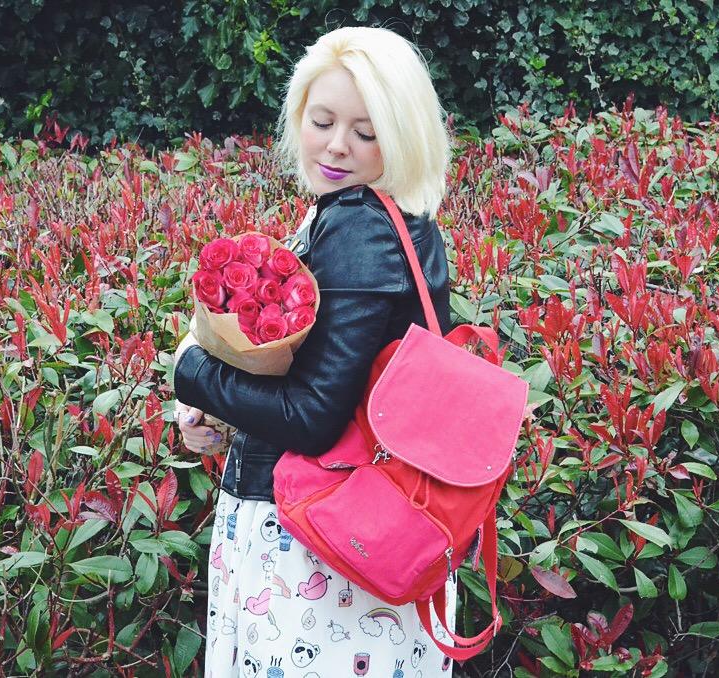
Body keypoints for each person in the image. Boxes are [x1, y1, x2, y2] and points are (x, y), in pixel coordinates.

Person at [173, 26, 458, 677]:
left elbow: (312, 418)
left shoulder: (360, 227)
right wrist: (222, 415)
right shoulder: (389, 221)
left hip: (319, 558)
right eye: (322, 121)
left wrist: (191, 367)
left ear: (404, 136)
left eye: (366, 132)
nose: (336, 145)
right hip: (354, 544)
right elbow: (339, 383)